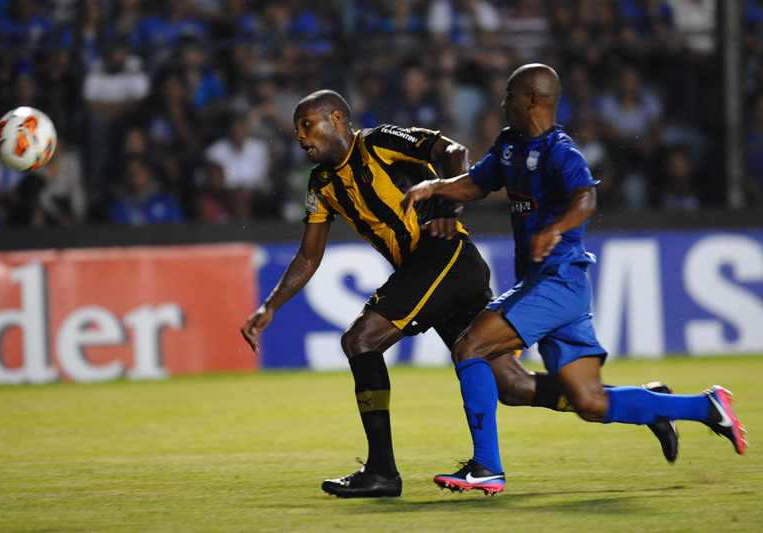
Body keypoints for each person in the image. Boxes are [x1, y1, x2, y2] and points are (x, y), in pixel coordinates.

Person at [241, 89, 677, 499]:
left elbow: (452, 152)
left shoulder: (380, 141)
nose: (299, 136)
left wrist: (449, 205)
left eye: (307, 124)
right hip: (435, 273)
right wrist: (270, 306)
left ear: (337, 119)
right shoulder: (321, 184)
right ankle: (650, 405)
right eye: (297, 128)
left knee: (360, 340)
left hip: (444, 256)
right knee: (512, 384)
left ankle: (381, 472)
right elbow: (307, 257)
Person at [402, 63, 747, 494]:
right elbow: (475, 183)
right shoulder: (509, 145)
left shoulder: (561, 151)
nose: (503, 102)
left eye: (510, 94)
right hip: (556, 288)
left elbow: (586, 199)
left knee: (471, 345)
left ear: (531, 99)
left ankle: (486, 467)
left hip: (557, 279)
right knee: (589, 401)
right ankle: (704, 406)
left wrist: (554, 229)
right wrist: (435, 188)